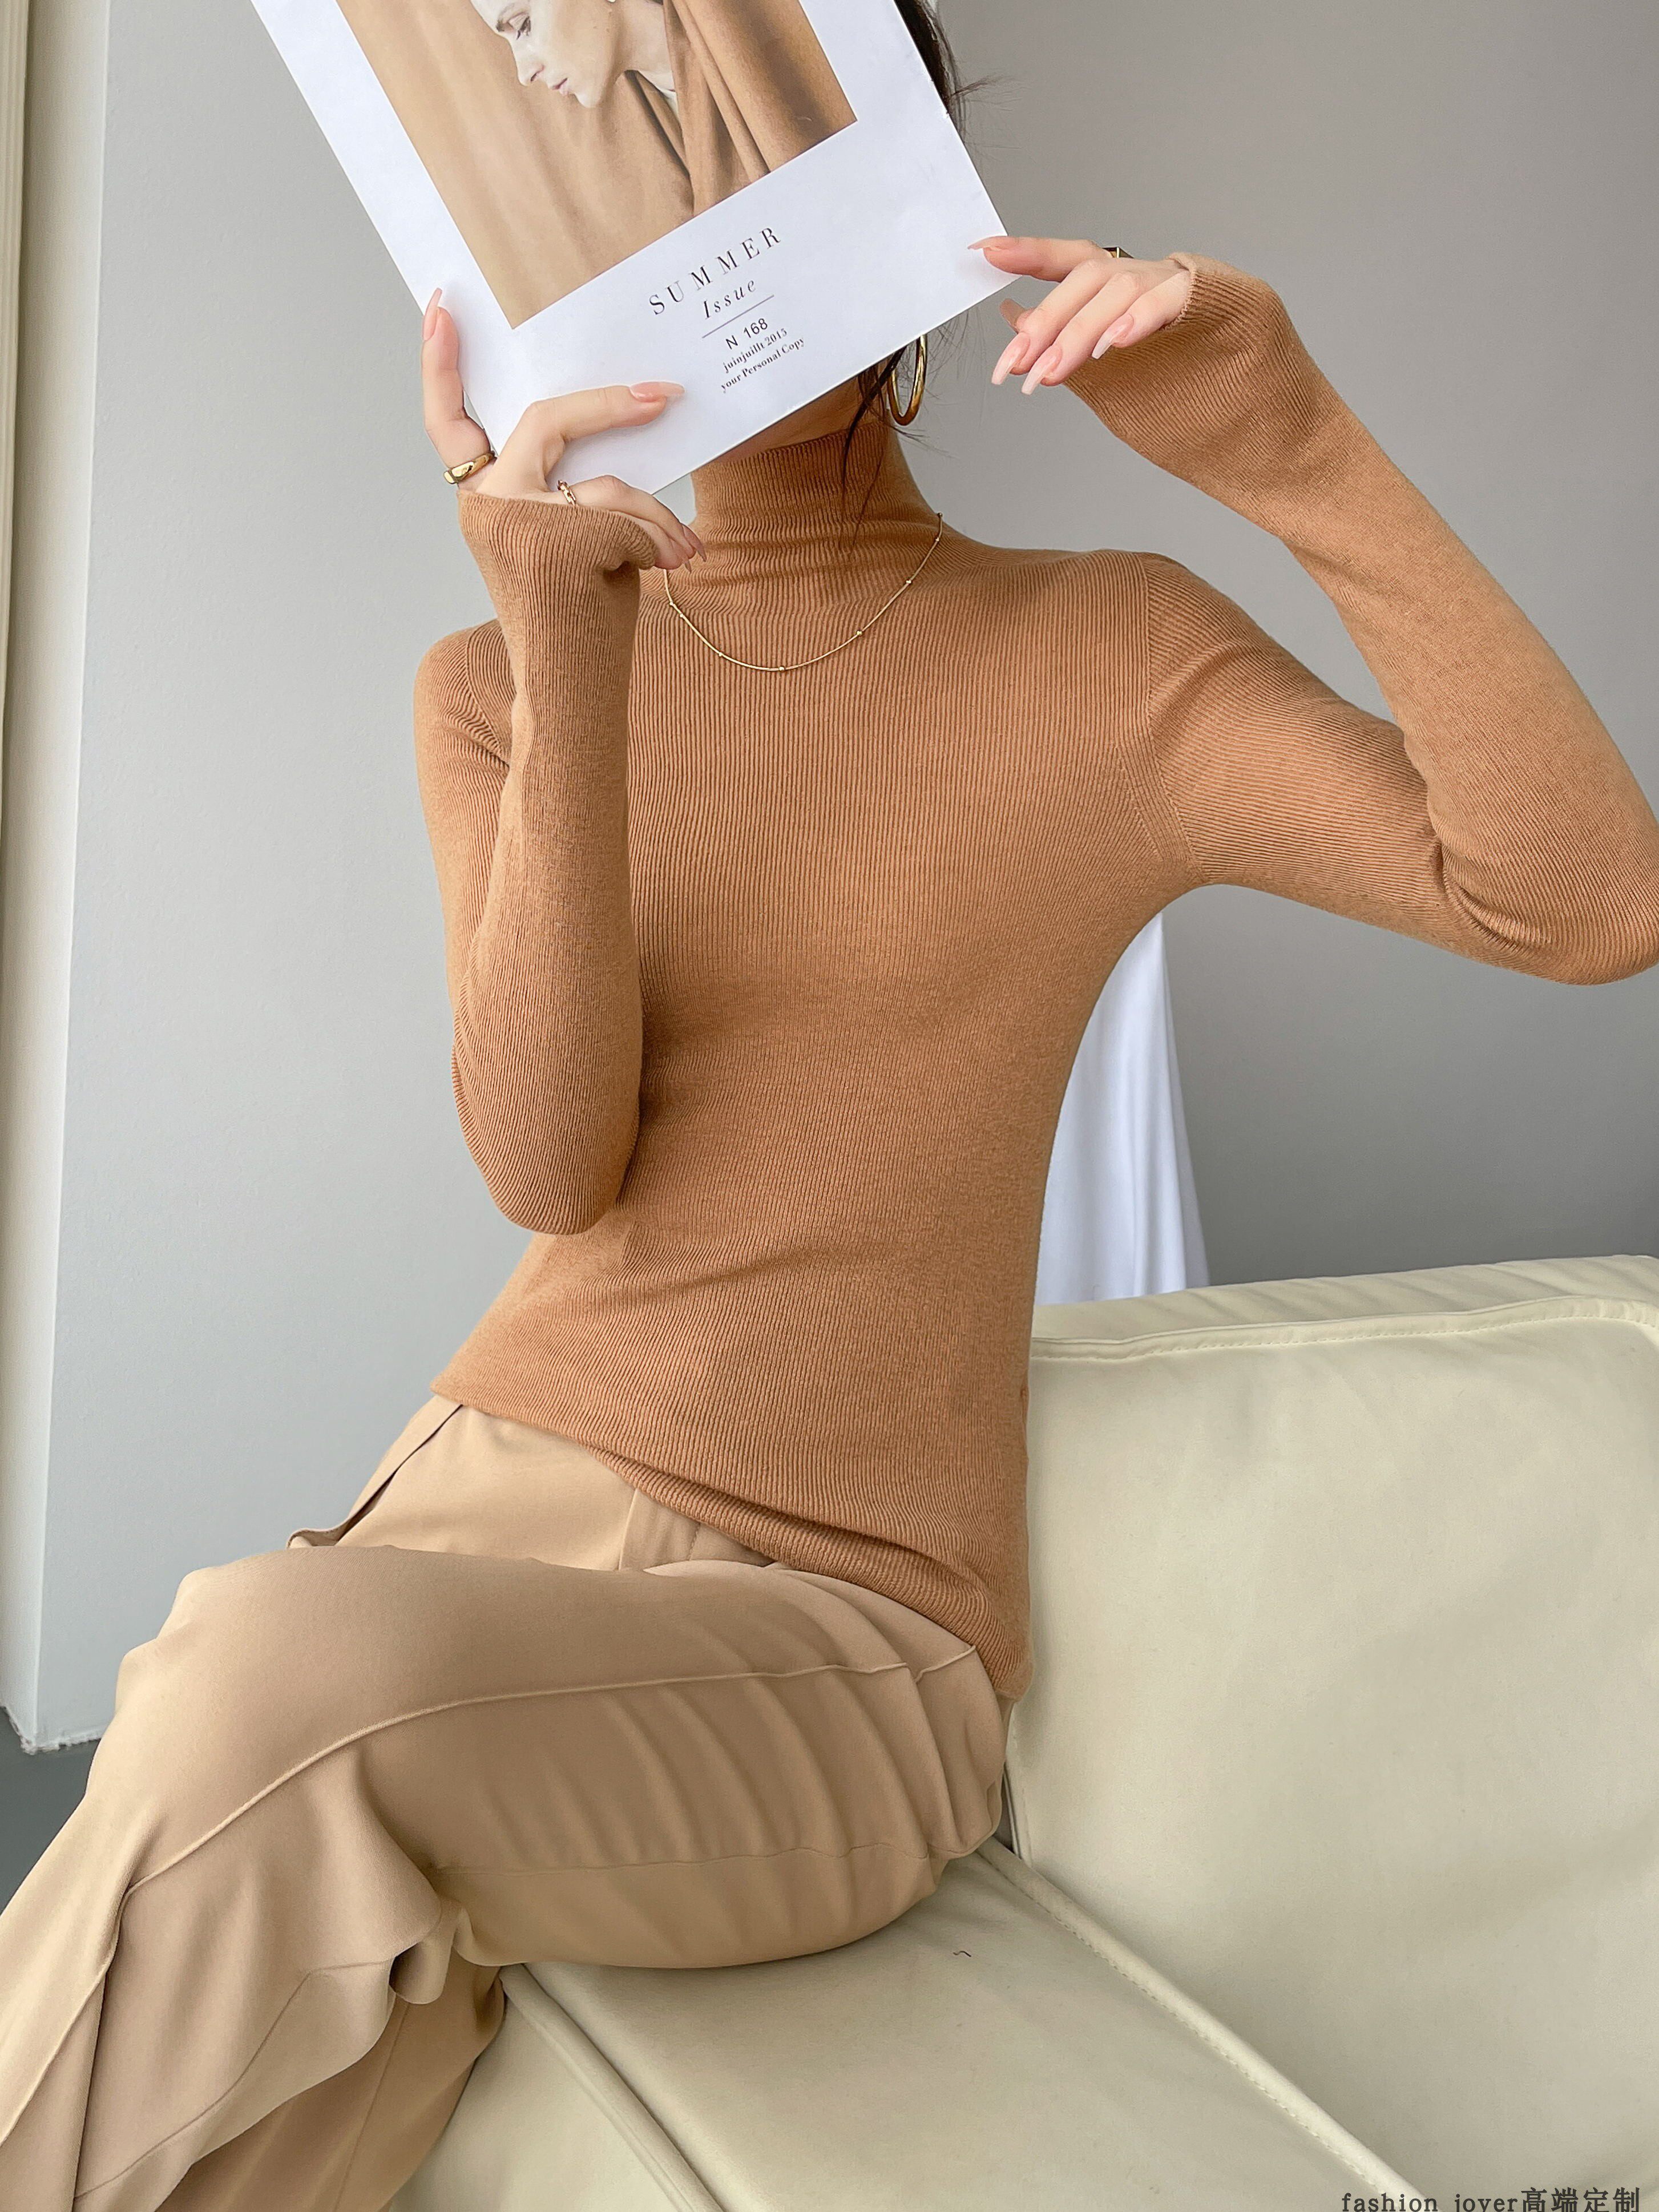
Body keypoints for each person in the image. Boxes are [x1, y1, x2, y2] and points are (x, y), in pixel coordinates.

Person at [3, 5, 1658, 2206]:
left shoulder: (1106, 653)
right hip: (467, 1535)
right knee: (261, 2047)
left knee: (259, 1676)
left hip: (846, 1633)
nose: (704, 238)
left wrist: (1288, 443)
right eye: (637, 177)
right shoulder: (490, 679)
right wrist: (564, 637)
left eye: (753, 157)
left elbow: (1581, 900)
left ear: (899, 191)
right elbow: (549, 1166)